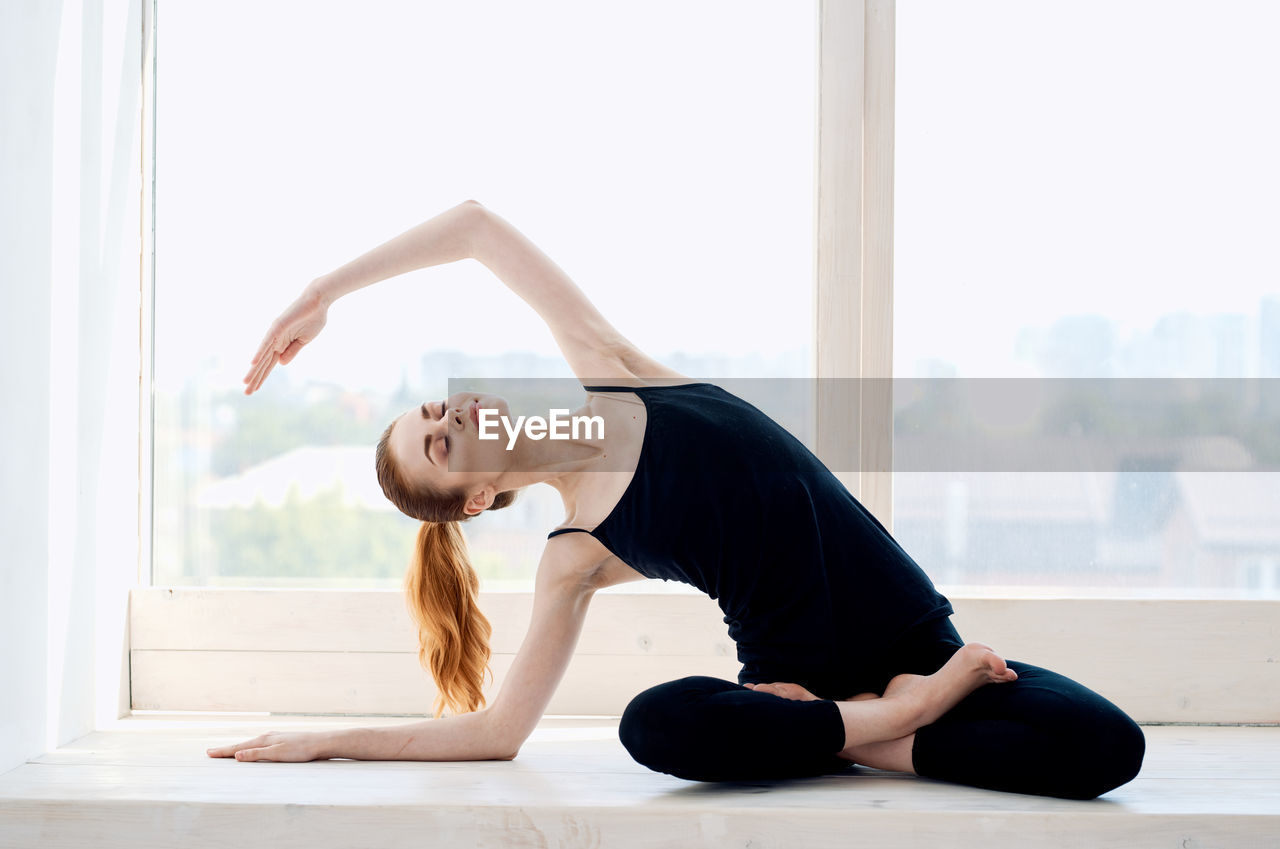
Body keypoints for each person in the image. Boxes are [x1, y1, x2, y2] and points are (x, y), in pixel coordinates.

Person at [207, 200, 1145, 800]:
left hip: (914, 642)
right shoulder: (575, 551)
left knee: (1107, 748)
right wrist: (323, 739)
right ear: (478, 495)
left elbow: (475, 229)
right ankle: (881, 728)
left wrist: (324, 290)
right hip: (801, 689)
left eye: (430, 412)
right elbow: (497, 735)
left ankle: (867, 734)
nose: (447, 414)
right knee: (652, 726)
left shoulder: (613, 376)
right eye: (440, 446)